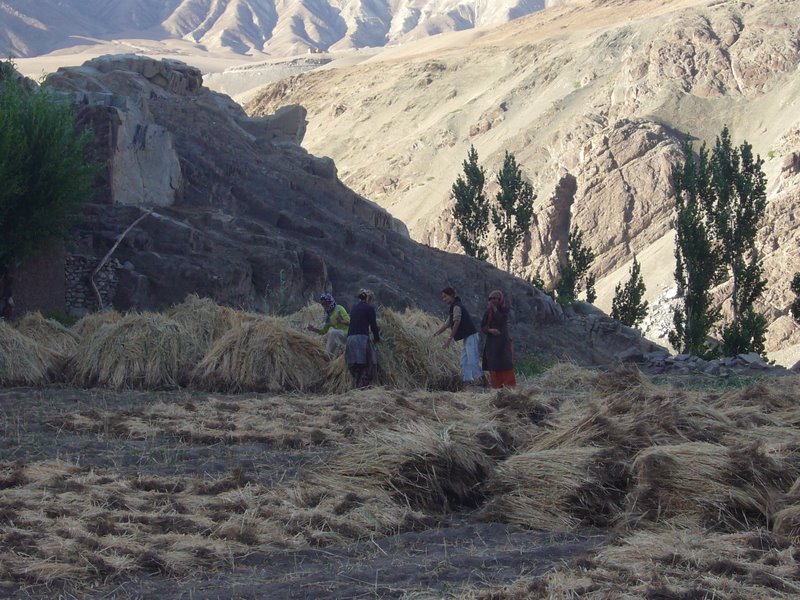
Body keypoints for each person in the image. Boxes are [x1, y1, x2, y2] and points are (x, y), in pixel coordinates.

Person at [434, 287, 485, 388]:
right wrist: (435, 334)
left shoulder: (457, 307)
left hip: (471, 336)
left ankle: (484, 381)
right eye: (442, 297)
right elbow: (447, 324)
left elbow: (457, 322)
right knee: (464, 361)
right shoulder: (453, 308)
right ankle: (467, 383)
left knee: (472, 360)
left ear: (452, 295)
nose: (444, 299)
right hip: (466, 337)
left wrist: (449, 339)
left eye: (445, 297)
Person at [345, 288, 381, 387]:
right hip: (361, 340)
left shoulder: (354, 308)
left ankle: (357, 387)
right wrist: (377, 339)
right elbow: (373, 326)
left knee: (356, 367)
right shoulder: (369, 308)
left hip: (350, 340)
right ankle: (362, 389)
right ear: (369, 298)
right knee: (371, 364)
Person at [481, 290, 516, 389]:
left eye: (495, 298)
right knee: (494, 364)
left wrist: (495, 309)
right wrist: (490, 330)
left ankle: (509, 387)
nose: (493, 300)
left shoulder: (505, 310)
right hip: (492, 343)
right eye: (491, 298)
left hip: (503, 341)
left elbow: (502, 320)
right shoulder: (488, 312)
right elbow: (483, 326)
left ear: (500, 299)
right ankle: (497, 387)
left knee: (505, 362)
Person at [307, 292, 350, 356]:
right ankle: (331, 356)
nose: (324, 306)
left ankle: (327, 355)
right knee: (331, 333)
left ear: (330, 301)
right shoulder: (328, 315)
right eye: (323, 304)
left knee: (333, 333)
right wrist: (314, 329)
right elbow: (324, 331)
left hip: (347, 334)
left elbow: (349, 322)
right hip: (339, 336)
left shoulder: (339, 308)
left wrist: (341, 321)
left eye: (325, 304)